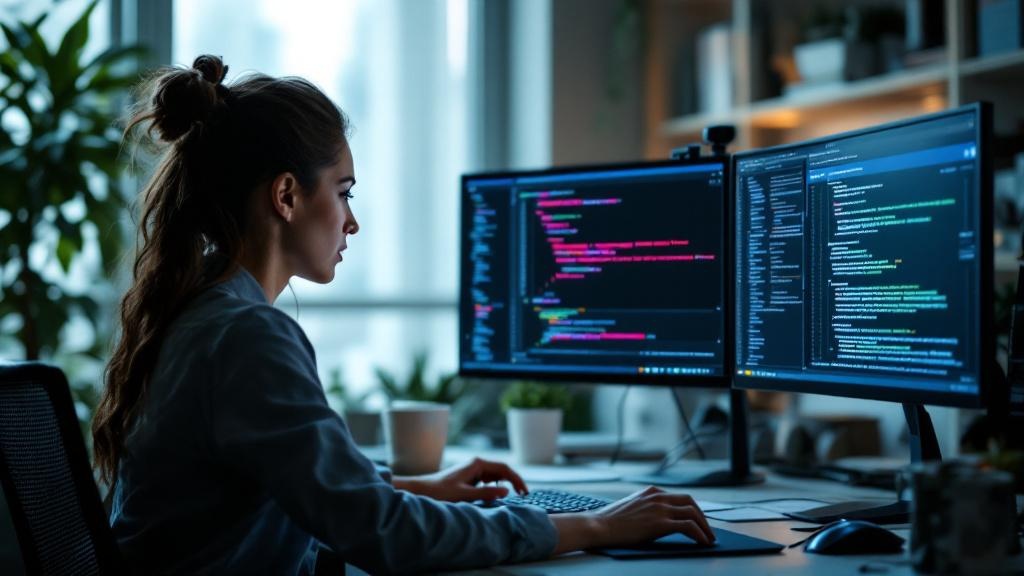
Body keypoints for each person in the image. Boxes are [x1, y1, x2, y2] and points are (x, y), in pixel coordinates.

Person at [91, 55, 714, 575]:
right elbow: (380, 536)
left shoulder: (201, 312)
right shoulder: (245, 335)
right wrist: (593, 524)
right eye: (343, 193)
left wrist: (417, 487)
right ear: (285, 196)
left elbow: (295, 489)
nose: (352, 221)